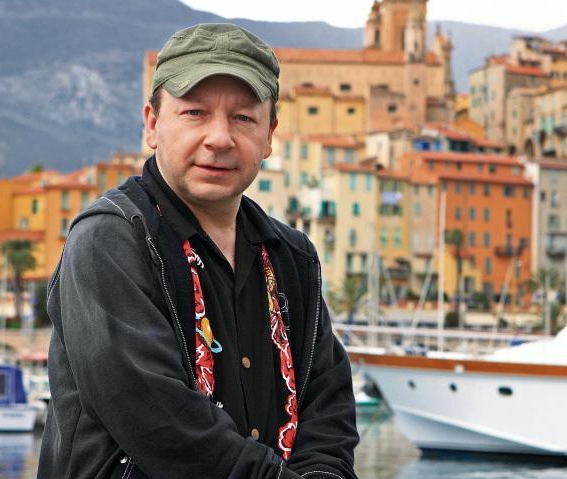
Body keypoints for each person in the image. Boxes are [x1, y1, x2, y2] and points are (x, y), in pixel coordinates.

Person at [37, 23, 359, 479]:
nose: (220, 138)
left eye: (243, 118)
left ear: (269, 135)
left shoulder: (293, 257)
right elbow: (159, 421)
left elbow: (329, 413)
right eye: (195, 113)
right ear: (152, 124)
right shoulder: (109, 241)